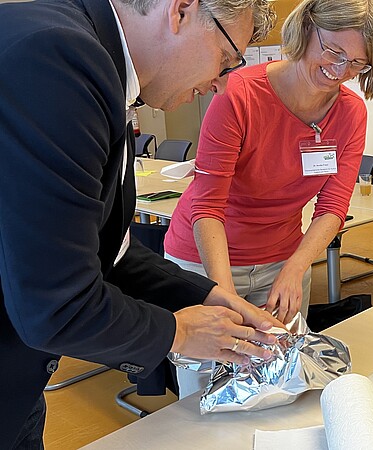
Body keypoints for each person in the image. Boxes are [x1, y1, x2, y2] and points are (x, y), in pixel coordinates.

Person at [0, 0, 285, 447]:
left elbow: (101, 247)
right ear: (182, 11)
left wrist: (208, 295)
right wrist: (183, 331)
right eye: (227, 58)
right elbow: (56, 307)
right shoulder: (61, 56)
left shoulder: (85, 51)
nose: (219, 84)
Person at [162, 0, 373, 396]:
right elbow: (207, 206)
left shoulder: (350, 114)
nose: (340, 72)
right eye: (334, 53)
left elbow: (333, 206)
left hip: (281, 260)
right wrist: (222, 296)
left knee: (276, 385)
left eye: (357, 64)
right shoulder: (238, 95)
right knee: (206, 391)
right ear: (306, 29)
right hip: (205, 259)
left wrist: (296, 268)